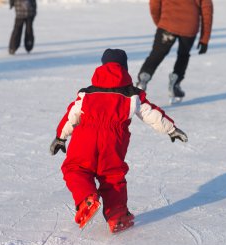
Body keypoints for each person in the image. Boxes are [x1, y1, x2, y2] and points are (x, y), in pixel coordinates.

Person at [50, 49, 188, 233]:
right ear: (124, 68)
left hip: (85, 136)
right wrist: (171, 129)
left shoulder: (87, 92)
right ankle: (117, 216)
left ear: (102, 66)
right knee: (112, 177)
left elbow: (71, 115)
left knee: (75, 168)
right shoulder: (133, 94)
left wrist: (61, 137)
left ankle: (86, 198)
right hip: (113, 140)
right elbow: (151, 114)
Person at [136, 0, 214, 102]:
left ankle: (143, 79)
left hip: (168, 23)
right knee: (183, 55)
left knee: (157, 53)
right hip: (189, 26)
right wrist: (204, 39)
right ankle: (175, 84)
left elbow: (154, 3)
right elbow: (207, 10)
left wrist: (160, 22)